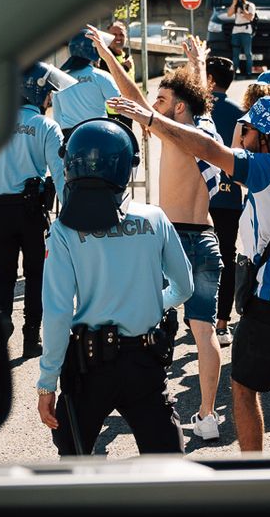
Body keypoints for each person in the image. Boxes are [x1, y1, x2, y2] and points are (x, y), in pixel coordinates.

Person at [115, 92, 270, 453]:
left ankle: (254, 476)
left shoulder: (262, 169)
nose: (241, 138)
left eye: (246, 131)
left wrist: (151, 120)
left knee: (244, 389)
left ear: (262, 136)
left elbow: (205, 147)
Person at [92, 28, 227, 443]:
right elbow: (191, 100)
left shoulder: (171, 131)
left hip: (169, 243)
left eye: (163, 101)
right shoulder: (208, 133)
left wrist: (108, 53)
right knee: (203, 333)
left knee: (147, 327)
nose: (154, 106)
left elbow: (131, 96)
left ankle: (151, 404)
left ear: (178, 108)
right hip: (205, 240)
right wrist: (198, 63)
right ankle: (207, 416)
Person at [36, 118, 194, 456]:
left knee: (73, 462)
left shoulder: (64, 231)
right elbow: (184, 287)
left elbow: (58, 313)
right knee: (167, 464)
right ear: (128, 167)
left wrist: (46, 383)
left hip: (88, 367)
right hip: (144, 363)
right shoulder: (154, 219)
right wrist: (150, 304)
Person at [0, 66, 68, 354]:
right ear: (37, 90)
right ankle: (32, 338)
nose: (49, 100)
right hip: (32, 213)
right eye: (47, 94)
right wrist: (67, 213)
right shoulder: (46, 126)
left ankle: (1, 325)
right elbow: (60, 173)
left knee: (2, 275)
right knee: (36, 276)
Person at [206, 55, 246, 347]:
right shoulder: (240, 113)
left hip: (196, 193)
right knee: (227, 257)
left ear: (208, 79)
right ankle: (222, 323)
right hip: (229, 194)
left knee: (194, 255)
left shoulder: (194, 110)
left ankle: (198, 317)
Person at [51, 30, 125, 137]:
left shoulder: (59, 80)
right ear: (94, 51)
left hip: (70, 137)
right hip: (97, 132)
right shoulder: (102, 76)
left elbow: (57, 117)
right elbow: (120, 108)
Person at [223, 0, 257, 70]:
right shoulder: (235, 6)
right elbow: (229, 14)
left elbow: (250, 18)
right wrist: (234, 4)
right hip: (236, 31)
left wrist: (243, 8)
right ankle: (234, 72)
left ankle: (248, 71)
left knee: (247, 53)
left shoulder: (250, 5)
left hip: (246, 31)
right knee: (235, 53)